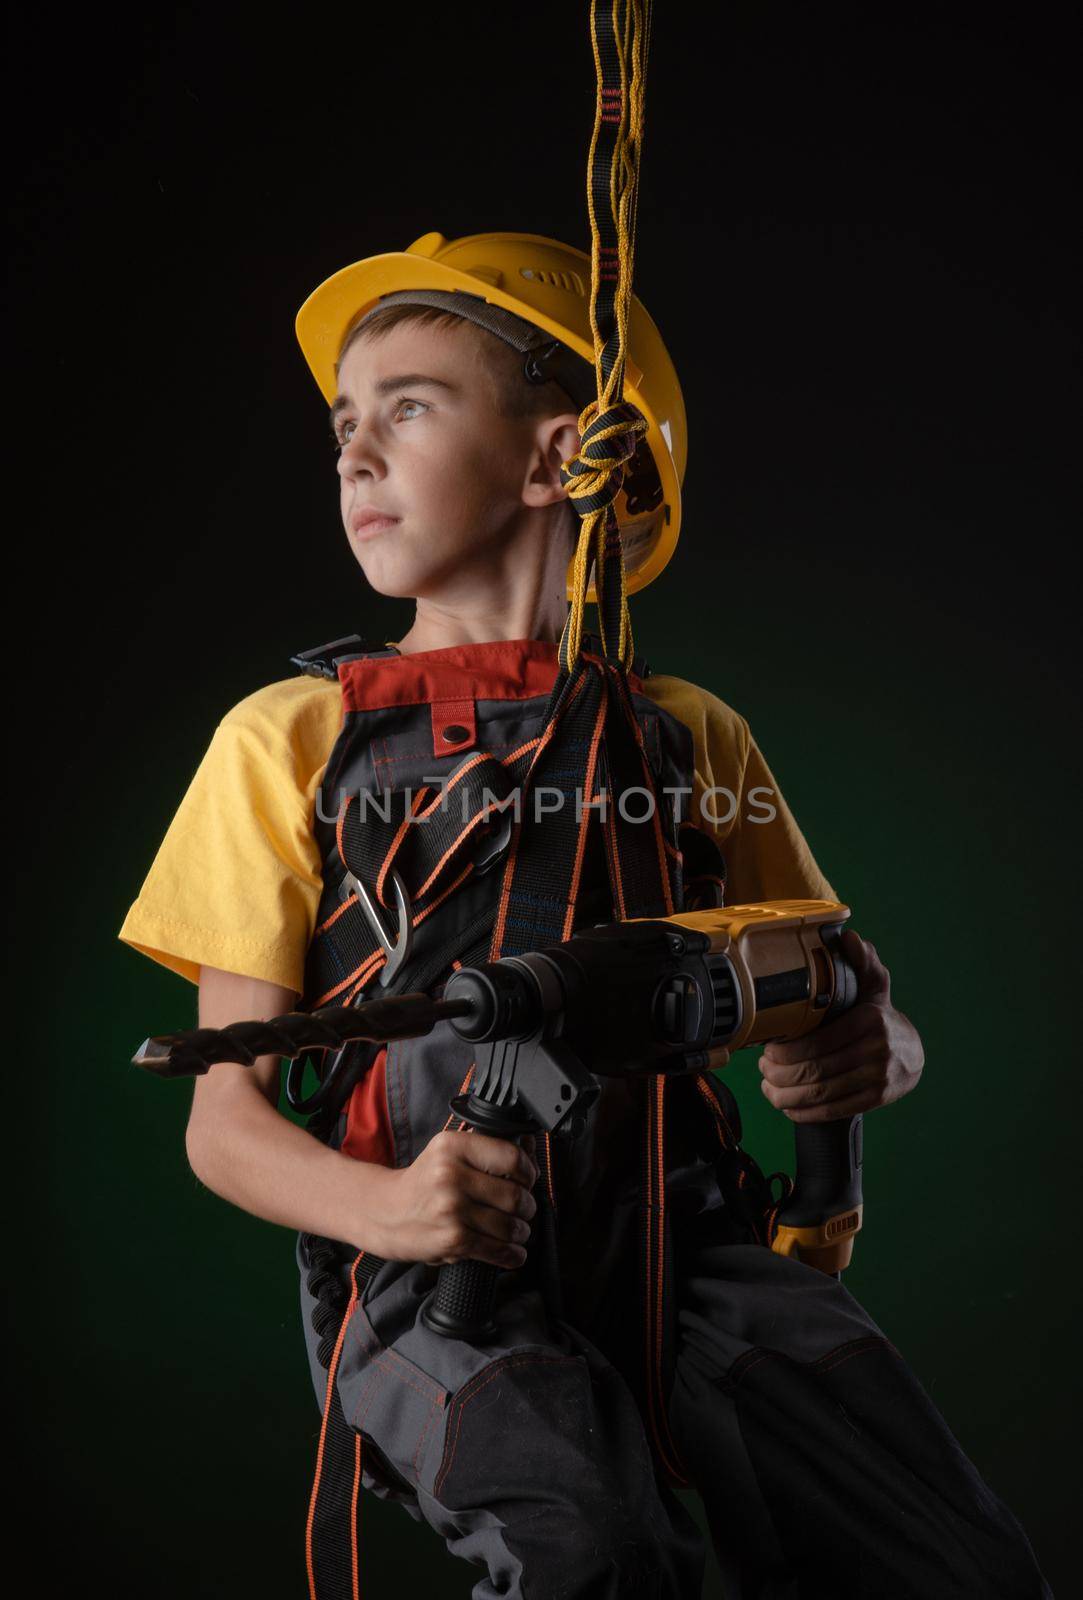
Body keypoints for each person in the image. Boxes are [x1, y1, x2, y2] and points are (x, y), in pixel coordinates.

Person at [119, 231, 1051, 1598]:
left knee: (957, 1563)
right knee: (595, 1551)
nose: (354, 455)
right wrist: (394, 1211)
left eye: (410, 407)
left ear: (563, 456)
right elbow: (225, 1121)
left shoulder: (685, 738)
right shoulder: (290, 741)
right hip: (435, 1285)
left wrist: (871, 1051)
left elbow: (849, 998)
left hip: (692, 1242)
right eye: (343, 424)